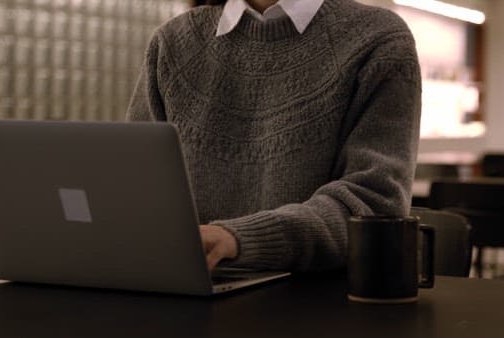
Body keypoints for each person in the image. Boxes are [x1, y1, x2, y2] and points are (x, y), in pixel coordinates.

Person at [126, 0, 422, 272]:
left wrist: (238, 239)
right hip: (184, 294)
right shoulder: (171, 42)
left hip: (317, 306)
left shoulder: (379, 39)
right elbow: (131, 189)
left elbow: (374, 207)